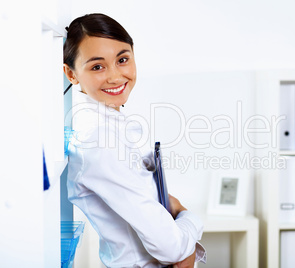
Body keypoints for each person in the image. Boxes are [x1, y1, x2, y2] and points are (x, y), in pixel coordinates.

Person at [63, 13, 206, 268]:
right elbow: (170, 248)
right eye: (97, 66)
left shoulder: (112, 125)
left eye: (122, 59)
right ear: (71, 74)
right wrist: (189, 216)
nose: (115, 76)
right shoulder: (100, 141)